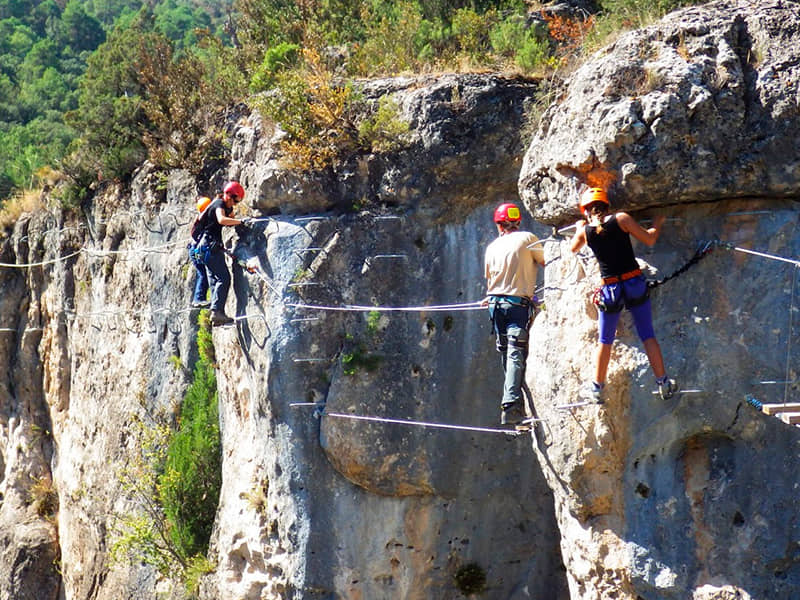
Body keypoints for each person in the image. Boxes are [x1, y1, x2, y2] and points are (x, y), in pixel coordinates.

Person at [569, 187, 677, 402]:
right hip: (633, 282)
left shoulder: (585, 231)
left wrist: (578, 227)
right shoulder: (621, 219)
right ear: (606, 205)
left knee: (605, 340)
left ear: (586, 211)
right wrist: (657, 223)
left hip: (610, 289)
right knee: (647, 335)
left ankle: (597, 388)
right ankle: (663, 382)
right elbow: (649, 239)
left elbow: (573, 248)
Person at [484, 202, 545, 426]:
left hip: (495, 305)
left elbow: (492, 280)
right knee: (515, 355)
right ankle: (512, 407)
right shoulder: (527, 238)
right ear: (518, 222)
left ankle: (514, 405)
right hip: (516, 306)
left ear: (499, 225)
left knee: (506, 355)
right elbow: (547, 261)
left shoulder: (491, 247)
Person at [192, 181, 250, 326]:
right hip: (209, 247)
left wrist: (233, 215)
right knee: (224, 278)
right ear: (229, 195)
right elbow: (222, 220)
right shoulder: (218, 204)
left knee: (214, 279)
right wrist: (240, 222)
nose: (235, 204)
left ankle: (216, 313)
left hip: (201, 249)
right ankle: (217, 312)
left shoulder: (219, 204)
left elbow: (227, 216)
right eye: (235, 200)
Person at [188, 195, 214, 308]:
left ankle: (198, 298)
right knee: (203, 273)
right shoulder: (202, 219)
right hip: (196, 250)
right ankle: (198, 299)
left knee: (202, 273)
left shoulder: (200, 220)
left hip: (193, 250)